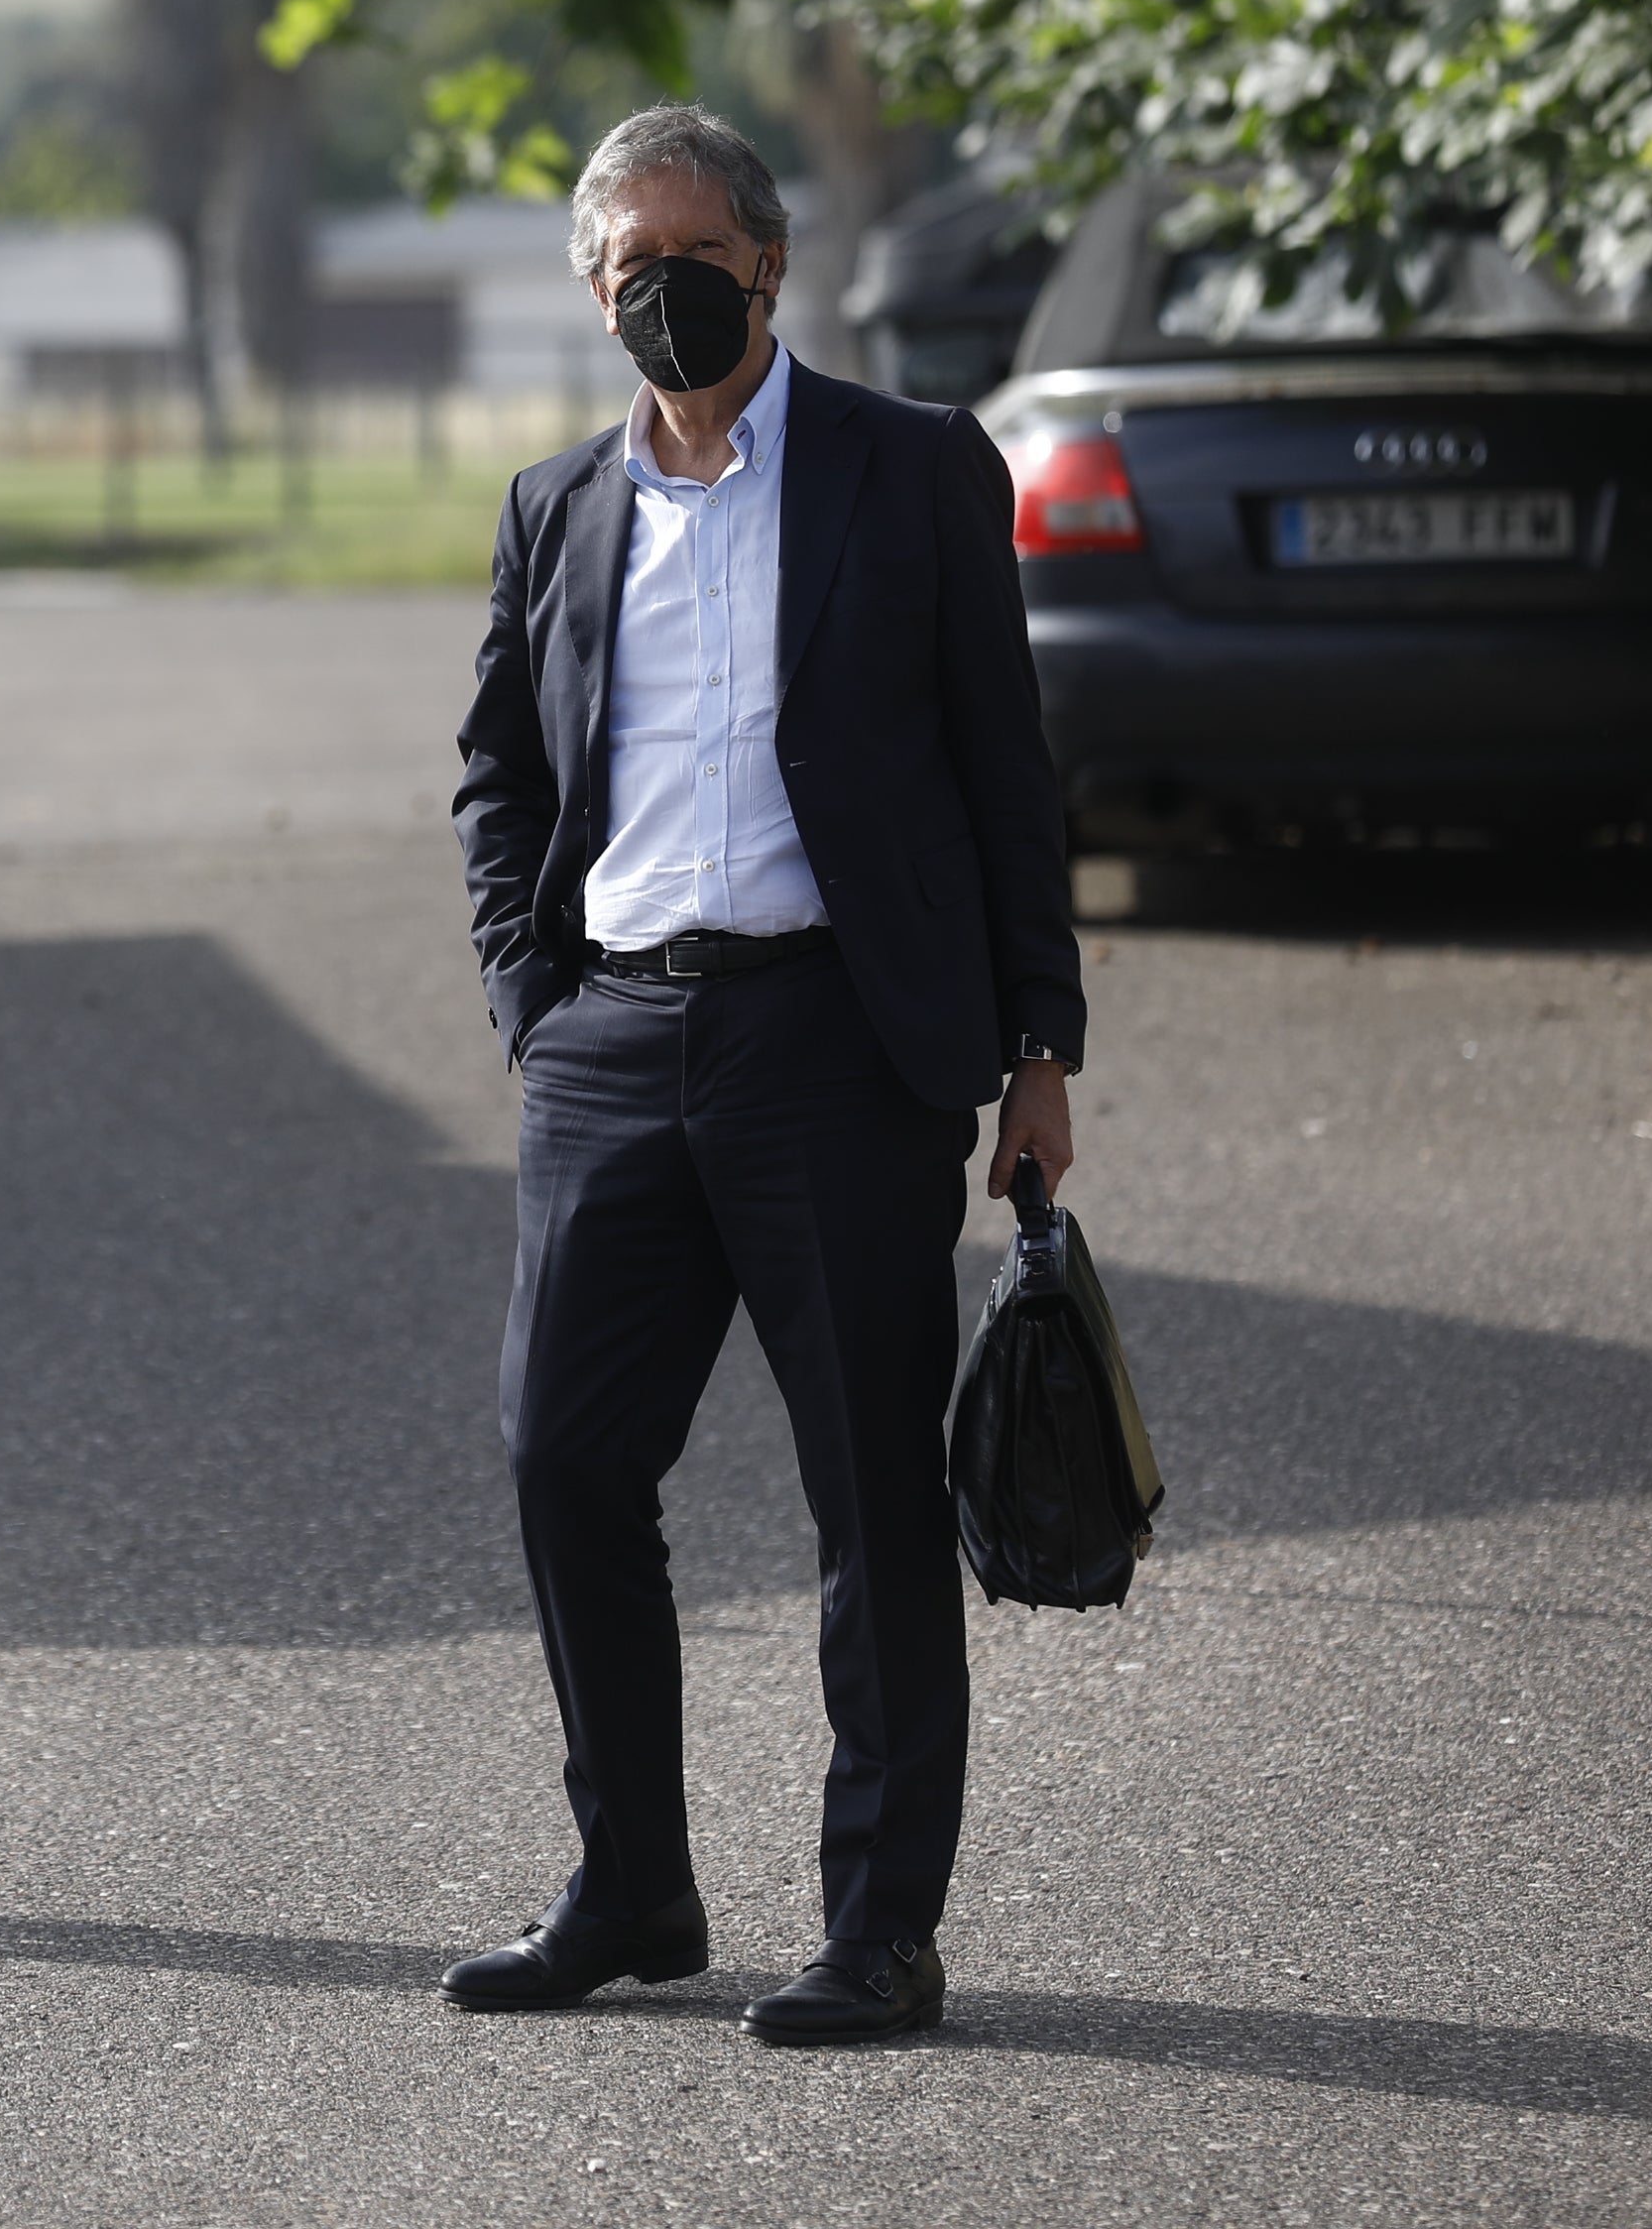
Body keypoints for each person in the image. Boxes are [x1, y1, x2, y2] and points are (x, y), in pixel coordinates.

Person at [439, 105, 1084, 2045]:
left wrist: (1038, 1044)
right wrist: (528, 1005)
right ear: (590, 289)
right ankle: (632, 1883)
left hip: (840, 1042)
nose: (661, 292)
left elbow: (1005, 772)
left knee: (873, 1503)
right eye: (624, 269)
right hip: (615, 1039)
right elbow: (501, 778)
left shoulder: (910, 470)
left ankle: (882, 1926)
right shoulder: (559, 511)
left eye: (690, 256)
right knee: (562, 1457)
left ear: (772, 264)